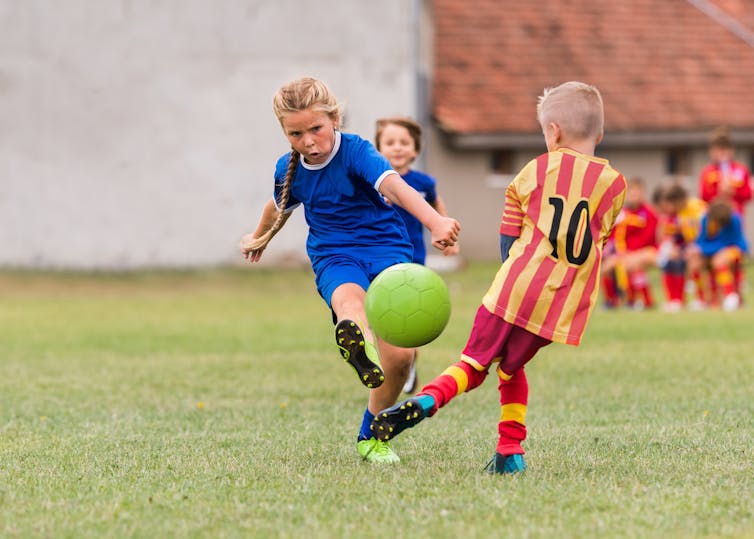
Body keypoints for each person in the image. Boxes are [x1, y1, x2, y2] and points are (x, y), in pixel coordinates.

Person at [369, 81, 626, 474]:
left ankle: (426, 400)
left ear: (553, 132)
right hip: (560, 303)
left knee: (473, 364)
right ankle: (511, 451)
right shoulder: (615, 184)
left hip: (515, 288)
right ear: (600, 134)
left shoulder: (538, 168)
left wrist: (511, 270)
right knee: (510, 368)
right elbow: (600, 239)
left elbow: (509, 229)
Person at [240, 77, 460, 464]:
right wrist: (258, 237)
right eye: (296, 133)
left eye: (315, 129)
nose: (308, 141)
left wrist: (435, 221)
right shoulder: (288, 168)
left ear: (334, 119)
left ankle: (372, 434)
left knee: (402, 358)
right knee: (349, 300)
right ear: (283, 132)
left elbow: (394, 187)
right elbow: (277, 207)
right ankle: (355, 340)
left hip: (387, 249)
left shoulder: (357, 150)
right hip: (334, 254)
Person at [374, 116, 460, 394]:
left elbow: (437, 204)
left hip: (413, 260)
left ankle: (408, 363)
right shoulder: (373, 181)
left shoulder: (423, 182)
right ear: (379, 149)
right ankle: (388, 363)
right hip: (378, 256)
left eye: (404, 143)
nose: (397, 148)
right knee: (383, 315)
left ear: (415, 150)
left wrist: (448, 235)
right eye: (390, 142)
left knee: (409, 317)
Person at [601, 177, 658, 309]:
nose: (634, 196)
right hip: (623, 253)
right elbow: (612, 235)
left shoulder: (649, 213)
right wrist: (609, 249)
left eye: (637, 192)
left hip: (646, 251)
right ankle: (612, 301)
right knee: (608, 266)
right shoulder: (621, 213)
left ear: (643, 193)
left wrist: (628, 252)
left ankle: (643, 300)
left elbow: (648, 238)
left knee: (631, 263)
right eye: (631, 192)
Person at [688, 199, 748, 311]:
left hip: (735, 249)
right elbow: (701, 240)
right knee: (694, 262)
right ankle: (702, 300)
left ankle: (730, 296)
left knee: (719, 260)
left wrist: (706, 249)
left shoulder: (734, 219)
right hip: (713, 251)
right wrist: (696, 248)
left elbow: (729, 242)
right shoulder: (706, 219)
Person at [655, 182, 706, 311]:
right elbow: (682, 234)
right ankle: (675, 300)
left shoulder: (697, 207)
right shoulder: (680, 213)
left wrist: (695, 247)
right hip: (690, 246)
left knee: (692, 260)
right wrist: (675, 247)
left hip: (704, 245)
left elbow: (706, 230)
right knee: (670, 261)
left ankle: (701, 299)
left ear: (679, 200)